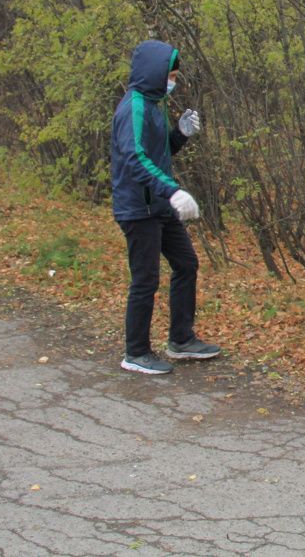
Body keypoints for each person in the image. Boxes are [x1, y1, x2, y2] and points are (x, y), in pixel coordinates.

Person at [110, 39, 221, 375]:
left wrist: (180, 135)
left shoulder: (154, 105)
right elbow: (135, 159)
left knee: (186, 263)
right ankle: (136, 353)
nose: (173, 82)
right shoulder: (134, 108)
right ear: (155, 73)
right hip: (138, 209)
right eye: (170, 75)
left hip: (159, 205)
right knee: (145, 280)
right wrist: (173, 191)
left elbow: (159, 154)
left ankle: (181, 340)